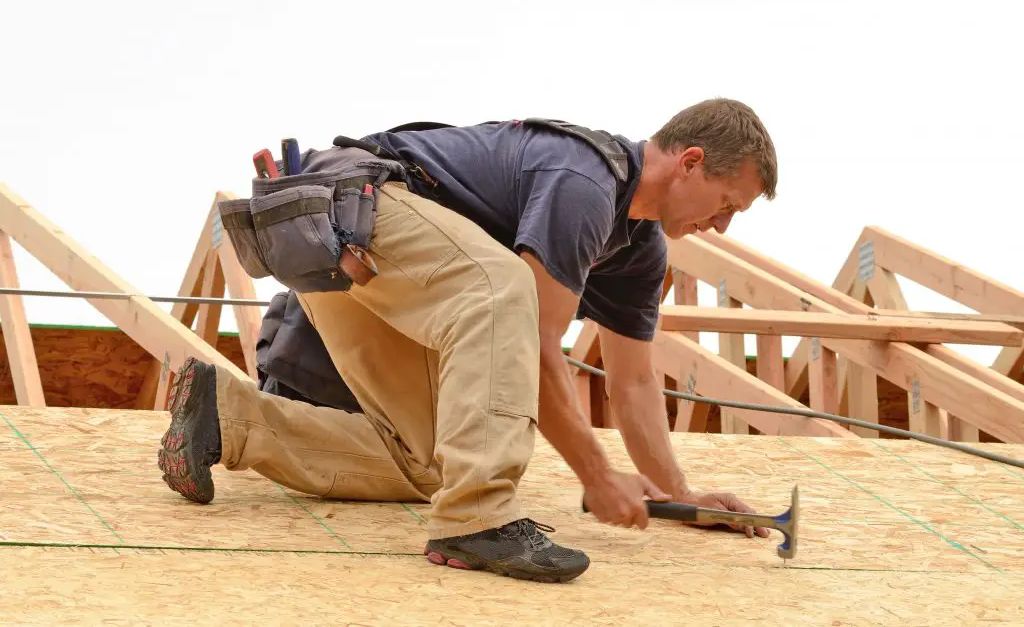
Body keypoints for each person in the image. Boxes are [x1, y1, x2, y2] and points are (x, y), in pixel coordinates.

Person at [157, 98, 778, 584]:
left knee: (434, 462)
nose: (720, 225)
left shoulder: (639, 251)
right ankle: (478, 519)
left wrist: (680, 495)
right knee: (503, 289)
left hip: (351, 260)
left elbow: (634, 381)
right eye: (727, 204)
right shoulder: (585, 180)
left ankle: (226, 417)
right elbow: (533, 340)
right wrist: (596, 474)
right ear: (691, 162)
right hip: (353, 215)